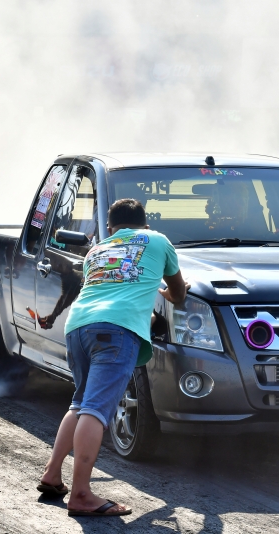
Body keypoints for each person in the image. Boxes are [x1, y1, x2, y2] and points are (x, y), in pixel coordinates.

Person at [38, 198, 189, 517]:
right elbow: (177, 293)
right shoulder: (158, 240)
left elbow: (113, 292)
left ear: (110, 228)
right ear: (145, 225)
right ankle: (80, 494)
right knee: (95, 408)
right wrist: (166, 293)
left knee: (80, 403)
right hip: (115, 332)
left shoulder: (96, 251)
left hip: (78, 327)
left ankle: (52, 475)